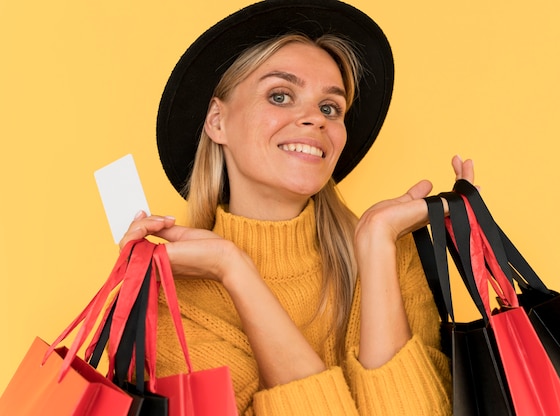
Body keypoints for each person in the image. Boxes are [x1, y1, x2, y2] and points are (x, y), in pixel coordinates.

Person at [120, 0, 473, 414]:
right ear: (217, 122)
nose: (315, 119)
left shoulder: (392, 255)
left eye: (330, 108)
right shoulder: (170, 305)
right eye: (281, 95)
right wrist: (234, 270)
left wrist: (377, 244)